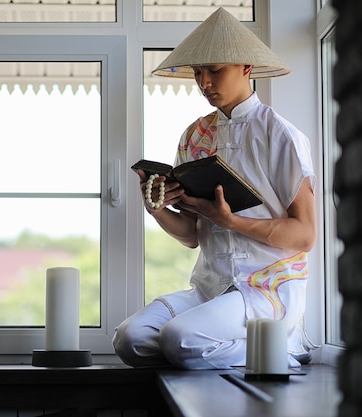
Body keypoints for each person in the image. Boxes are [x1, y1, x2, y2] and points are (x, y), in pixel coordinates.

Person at [112, 7, 318, 370]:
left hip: (266, 289)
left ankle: (284, 347)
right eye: (197, 72)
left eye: (215, 70)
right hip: (210, 288)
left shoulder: (280, 134)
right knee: (130, 339)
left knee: (179, 339)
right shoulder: (193, 136)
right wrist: (157, 208)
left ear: (246, 68)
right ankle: (234, 350)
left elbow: (304, 235)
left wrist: (231, 221)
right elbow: (192, 235)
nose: (205, 82)